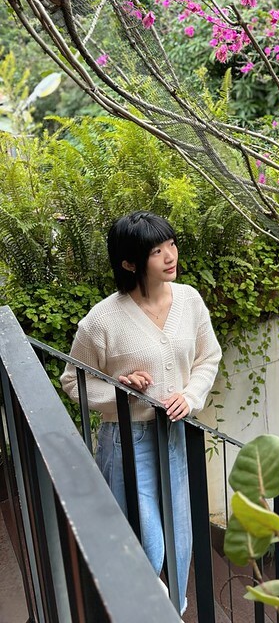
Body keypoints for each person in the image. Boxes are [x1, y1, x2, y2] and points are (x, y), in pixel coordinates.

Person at [61, 211, 222, 616]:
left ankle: (174, 609)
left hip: (174, 437)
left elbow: (208, 357)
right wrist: (120, 391)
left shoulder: (189, 300)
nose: (170, 256)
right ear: (130, 262)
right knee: (146, 545)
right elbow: (73, 381)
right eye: (156, 251)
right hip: (126, 443)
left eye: (171, 244)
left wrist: (190, 395)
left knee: (180, 538)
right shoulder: (102, 321)